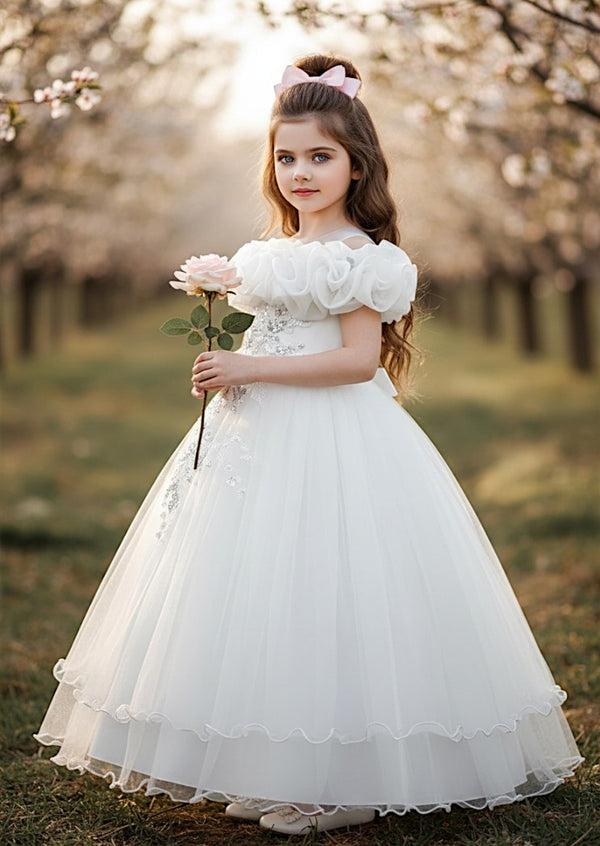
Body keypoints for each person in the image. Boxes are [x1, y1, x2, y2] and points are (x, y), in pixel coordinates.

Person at [33, 54, 584, 837]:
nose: (301, 172)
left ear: (357, 164)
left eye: (320, 156)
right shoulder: (266, 254)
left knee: (330, 586)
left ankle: (347, 776)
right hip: (257, 438)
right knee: (256, 590)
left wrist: (252, 363)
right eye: (286, 157)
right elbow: (270, 332)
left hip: (333, 441)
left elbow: (358, 362)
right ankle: (272, 762)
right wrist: (225, 369)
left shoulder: (361, 258)